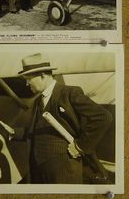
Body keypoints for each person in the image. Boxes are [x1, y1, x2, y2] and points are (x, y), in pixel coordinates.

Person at [18, 53, 113, 184]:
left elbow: (103, 117)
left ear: (42, 75)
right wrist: (12, 132)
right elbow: (37, 130)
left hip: (64, 169)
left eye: (28, 78)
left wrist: (80, 146)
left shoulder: (70, 93)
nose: (27, 83)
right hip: (42, 170)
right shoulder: (38, 101)